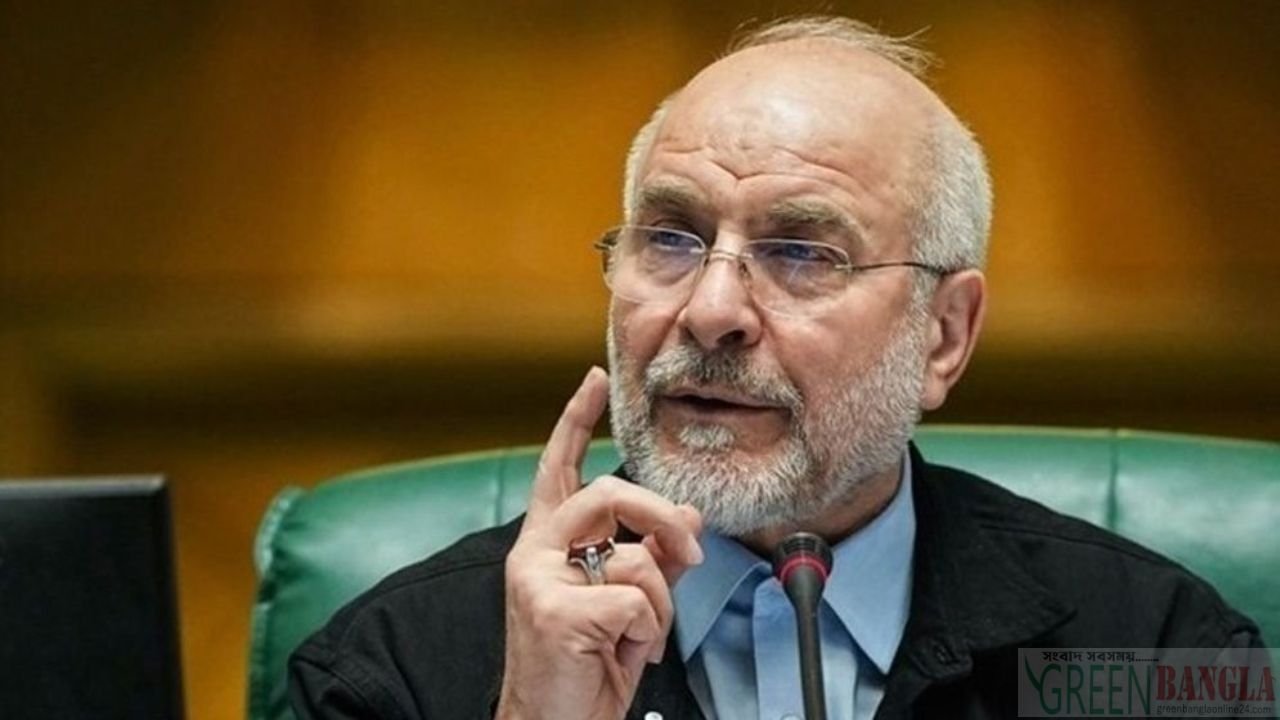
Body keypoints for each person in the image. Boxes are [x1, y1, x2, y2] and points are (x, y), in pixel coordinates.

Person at [288, 16, 1266, 720]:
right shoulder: (394, 668)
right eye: (670, 238)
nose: (710, 310)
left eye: (802, 252)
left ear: (942, 335)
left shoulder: (1154, 651)